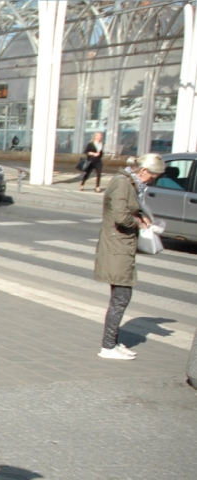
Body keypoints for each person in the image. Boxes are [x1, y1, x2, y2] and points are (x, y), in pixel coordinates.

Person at [93, 154, 165, 360]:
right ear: (143, 171)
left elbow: (127, 210)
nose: (152, 180)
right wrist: (139, 223)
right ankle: (108, 347)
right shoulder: (122, 183)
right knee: (121, 297)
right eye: (152, 176)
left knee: (121, 297)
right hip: (117, 248)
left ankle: (112, 342)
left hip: (120, 246)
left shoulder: (128, 182)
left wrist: (141, 216)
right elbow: (121, 216)